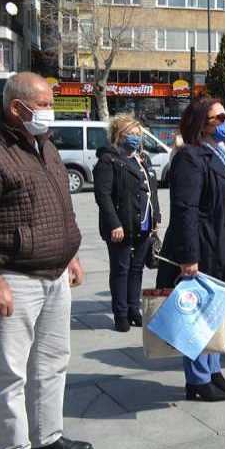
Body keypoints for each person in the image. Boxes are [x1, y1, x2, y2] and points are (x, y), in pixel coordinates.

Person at [0, 73, 93, 449]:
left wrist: (72, 254)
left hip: (55, 273)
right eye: (44, 104)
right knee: (10, 370)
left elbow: (60, 203)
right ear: (17, 107)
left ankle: (47, 436)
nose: (49, 111)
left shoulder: (43, 145)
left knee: (52, 359)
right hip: (13, 276)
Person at [158, 98, 225, 403]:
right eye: (219, 117)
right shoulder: (190, 157)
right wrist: (189, 256)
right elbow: (185, 209)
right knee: (198, 315)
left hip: (224, 243)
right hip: (205, 247)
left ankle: (212, 370)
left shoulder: (219, 154)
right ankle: (197, 379)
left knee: (216, 313)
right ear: (203, 122)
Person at [93, 114, 161, 332]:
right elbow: (103, 196)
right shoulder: (108, 160)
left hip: (142, 224)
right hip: (121, 226)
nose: (135, 138)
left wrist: (155, 217)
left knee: (137, 269)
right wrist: (114, 224)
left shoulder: (143, 159)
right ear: (118, 135)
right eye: (131, 134)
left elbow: (151, 191)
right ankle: (120, 314)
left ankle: (134, 309)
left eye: (138, 134)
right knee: (121, 269)